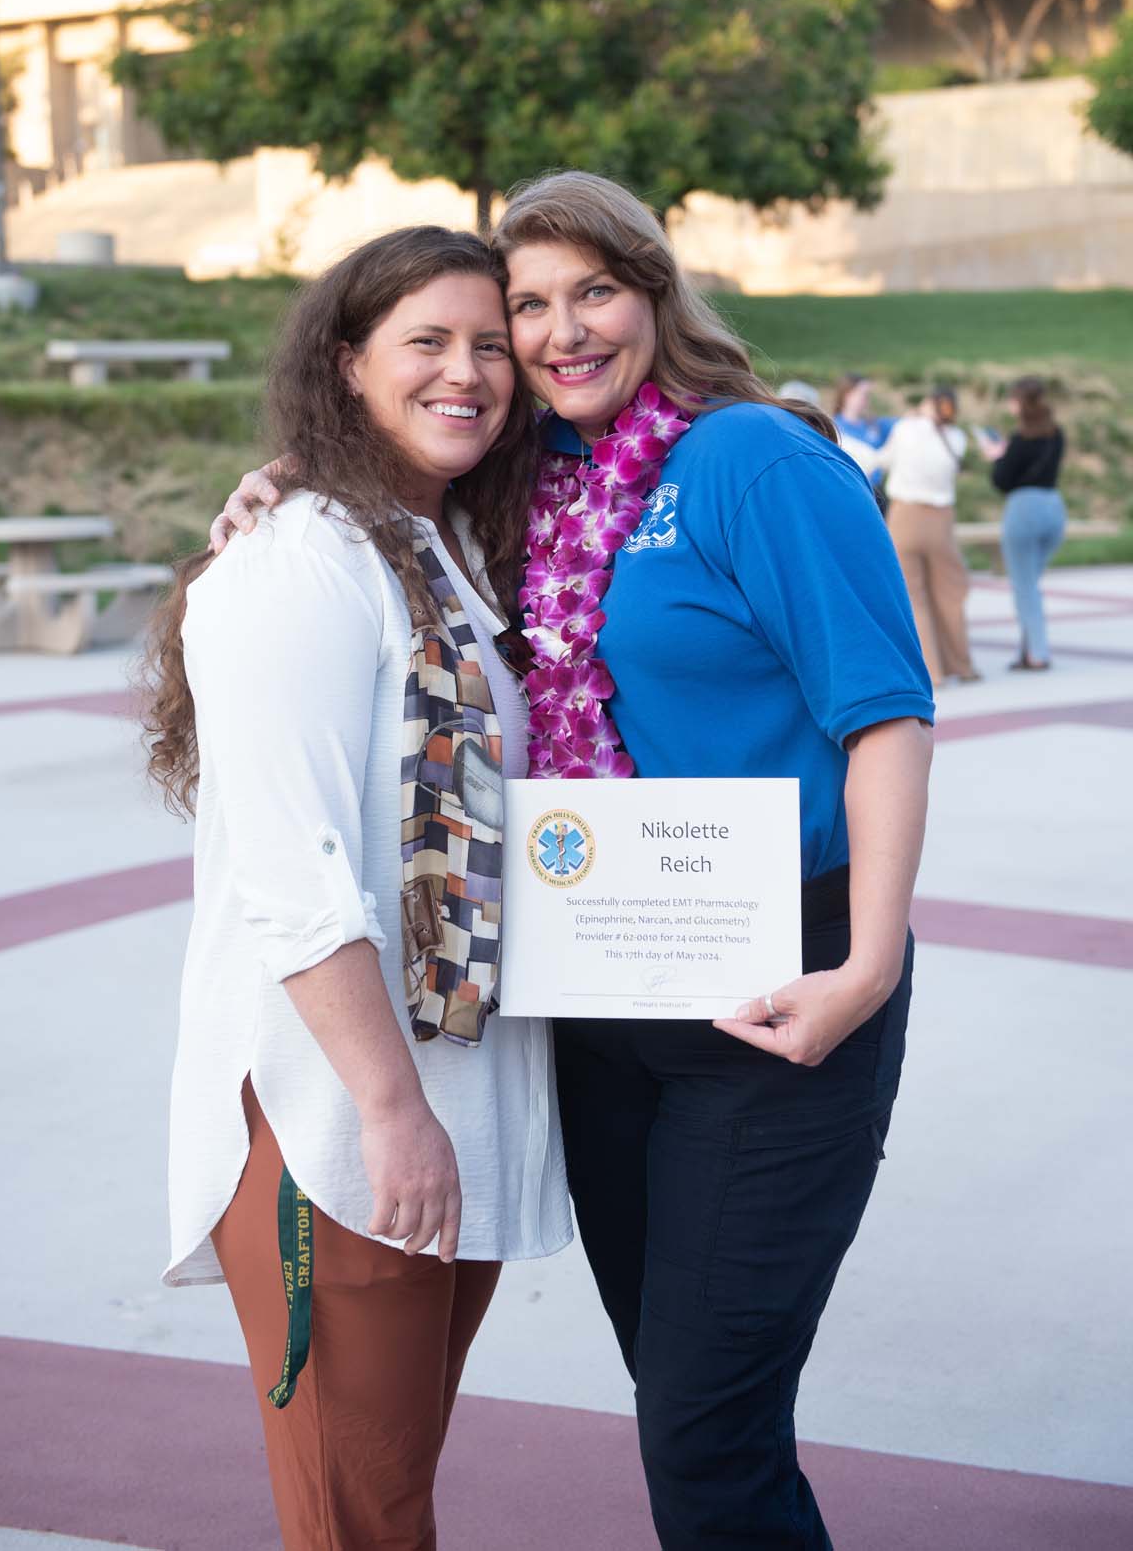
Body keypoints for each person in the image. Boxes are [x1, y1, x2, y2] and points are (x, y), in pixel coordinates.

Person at [215, 173, 935, 1551]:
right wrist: (296, 469)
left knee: (704, 1424)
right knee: (682, 1395)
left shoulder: (755, 460)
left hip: (783, 988)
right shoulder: (528, 481)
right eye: (525, 306)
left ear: (656, 291)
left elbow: (885, 715)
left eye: (592, 290)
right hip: (605, 1003)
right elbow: (405, 464)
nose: (558, 332)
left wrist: (869, 961)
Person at [144, 226, 571, 1551]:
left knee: (391, 1497)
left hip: (446, 1115)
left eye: (490, 344)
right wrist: (391, 1111)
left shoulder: (445, 546)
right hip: (339, 1124)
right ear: (348, 362)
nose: (469, 371)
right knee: (360, 1518)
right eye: (426, 343)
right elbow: (291, 870)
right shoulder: (299, 562)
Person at [875, 386, 980, 686]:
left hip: (905, 515)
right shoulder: (956, 438)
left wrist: (915, 416)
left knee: (913, 596)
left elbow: (883, 461)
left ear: (930, 403)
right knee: (950, 592)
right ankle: (961, 664)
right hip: (942, 519)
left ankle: (931, 671)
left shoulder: (906, 428)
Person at [976, 376, 1067, 671]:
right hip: (1054, 506)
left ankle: (1037, 654)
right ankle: (1029, 649)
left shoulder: (1019, 440)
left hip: (1024, 509)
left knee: (1024, 586)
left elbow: (1002, 481)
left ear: (1020, 403)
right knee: (1030, 584)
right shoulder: (1056, 434)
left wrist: (996, 457)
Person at [832, 372, 895, 508]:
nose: (867, 399)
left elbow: (902, 426)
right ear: (848, 394)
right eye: (863, 394)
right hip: (853, 491)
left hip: (877, 492)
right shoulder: (834, 428)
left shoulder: (875, 424)